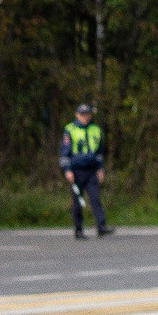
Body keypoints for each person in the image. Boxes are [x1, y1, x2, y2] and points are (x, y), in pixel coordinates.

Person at [60, 102, 111, 238]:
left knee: (95, 198)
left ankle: (101, 226)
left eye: (87, 114)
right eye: (82, 114)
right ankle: (78, 230)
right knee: (77, 201)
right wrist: (67, 170)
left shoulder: (96, 130)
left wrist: (100, 169)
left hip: (91, 170)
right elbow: (64, 153)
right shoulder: (70, 129)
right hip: (76, 170)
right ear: (77, 115)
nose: (85, 117)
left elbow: (99, 152)